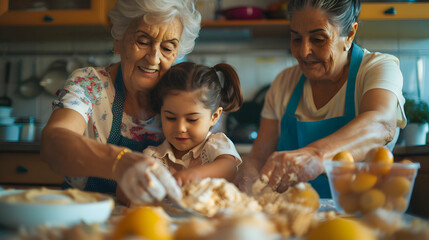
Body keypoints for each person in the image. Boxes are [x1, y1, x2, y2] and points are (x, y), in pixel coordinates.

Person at [236, 0, 406, 198]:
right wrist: (247, 179)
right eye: (296, 39)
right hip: (292, 217)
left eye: (318, 39)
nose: (304, 52)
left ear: (350, 34)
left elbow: (381, 124)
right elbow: (258, 157)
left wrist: (316, 155)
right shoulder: (284, 83)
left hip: (359, 217)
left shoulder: (377, 68)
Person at [40, 0, 202, 204]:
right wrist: (120, 162)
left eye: (167, 48)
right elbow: (52, 143)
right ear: (118, 40)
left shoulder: (183, 96)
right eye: (143, 42)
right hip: (86, 218)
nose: (154, 59)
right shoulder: (90, 84)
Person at [143, 62, 243, 187]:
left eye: (192, 119)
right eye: (171, 118)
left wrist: (194, 175)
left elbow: (229, 168)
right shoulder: (154, 156)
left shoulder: (214, 144)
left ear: (214, 116)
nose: (180, 128)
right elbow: (124, 190)